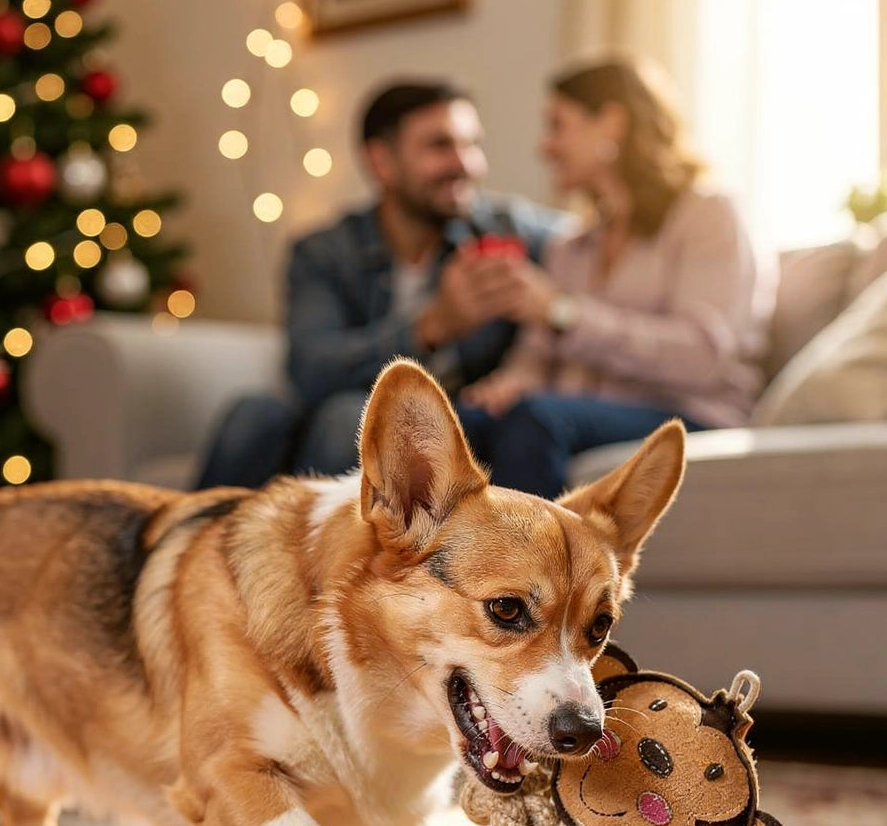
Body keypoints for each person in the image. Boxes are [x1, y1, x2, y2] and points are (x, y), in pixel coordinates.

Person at [195, 80, 562, 489]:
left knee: (350, 418)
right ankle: (180, 549)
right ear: (382, 161)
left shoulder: (508, 233)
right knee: (253, 414)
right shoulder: (325, 251)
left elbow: (594, 243)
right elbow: (311, 371)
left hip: (451, 424)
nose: (468, 165)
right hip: (332, 415)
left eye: (472, 144)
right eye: (441, 146)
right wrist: (432, 326)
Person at [456, 57, 772, 498]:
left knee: (536, 420)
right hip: (577, 411)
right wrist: (508, 383)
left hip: (685, 415)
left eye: (557, 125)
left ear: (611, 123)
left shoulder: (708, 214)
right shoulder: (572, 243)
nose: (544, 147)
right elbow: (535, 354)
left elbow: (701, 356)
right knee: (448, 430)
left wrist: (564, 312)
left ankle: (530, 569)